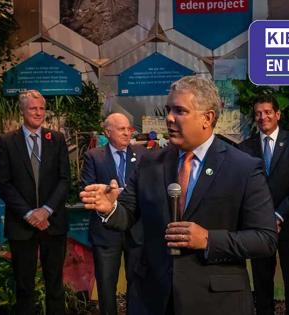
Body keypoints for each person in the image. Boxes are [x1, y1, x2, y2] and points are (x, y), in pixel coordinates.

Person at [80, 75, 278, 315]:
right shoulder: (150, 162)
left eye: (180, 110)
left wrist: (208, 239)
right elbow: (127, 214)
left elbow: (264, 239)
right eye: (168, 110)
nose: (170, 118)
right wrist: (109, 207)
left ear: (207, 118)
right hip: (151, 298)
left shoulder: (243, 167)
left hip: (215, 302)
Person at [0, 90, 70, 315]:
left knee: (55, 285)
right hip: (22, 226)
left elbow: (65, 179)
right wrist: (29, 214)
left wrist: (46, 210)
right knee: (24, 287)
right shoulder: (7, 141)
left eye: (41, 108)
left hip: (53, 223)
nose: (38, 113)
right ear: (22, 111)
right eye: (32, 108)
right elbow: (4, 183)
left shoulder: (56, 139)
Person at [237, 95, 289, 315]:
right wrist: (262, 218)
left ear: (277, 114)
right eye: (258, 113)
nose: (263, 117)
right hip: (259, 227)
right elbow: (244, 189)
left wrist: (278, 215)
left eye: (268, 112)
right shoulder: (244, 148)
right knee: (261, 281)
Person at [81, 113, 146, 315]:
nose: (127, 133)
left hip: (136, 231)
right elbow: (88, 190)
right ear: (107, 132)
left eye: (129, 129)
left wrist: (120, 194)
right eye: (121, 129)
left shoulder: (142, 154)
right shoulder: (94, 156)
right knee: (106, 286)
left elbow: (147, 189)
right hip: (105, 232)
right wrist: (110, 196)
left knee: (137, 285)